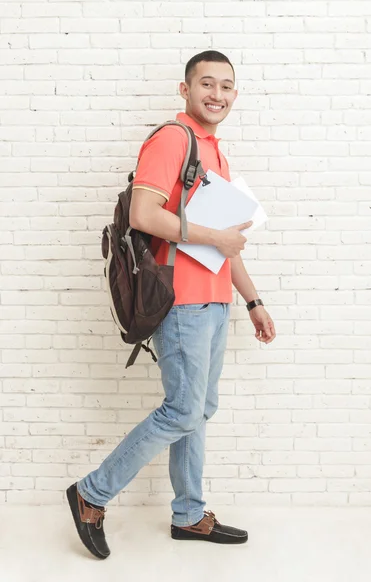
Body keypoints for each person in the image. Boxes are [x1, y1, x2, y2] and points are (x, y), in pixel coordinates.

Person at [66, 50, 276, 559]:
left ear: (235, 94)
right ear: (186, 90)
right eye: (207, 84)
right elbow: (143, 214)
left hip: (215, 302)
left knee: (198, 410)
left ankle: (189, 515)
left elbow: (224, 243)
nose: (217, 95)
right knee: (182, 409)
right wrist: (214, 239)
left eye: (227, 86)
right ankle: (91, 494)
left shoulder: (215, 151)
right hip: (181, 303)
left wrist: (252, 300)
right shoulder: (173, 139)